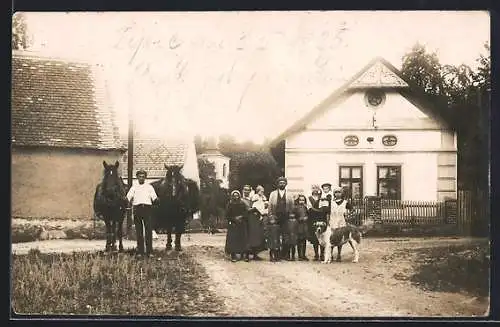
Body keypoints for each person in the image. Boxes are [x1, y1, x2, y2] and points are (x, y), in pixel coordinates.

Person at [126, 169, 158, 257]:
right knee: (139, 231)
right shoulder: (134, 187)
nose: (141, 178)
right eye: (139, 176)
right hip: (137, 210)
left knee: (148, 231)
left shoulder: (149, 187)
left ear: (145, 177)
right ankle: (140, 251)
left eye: (143, 176)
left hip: (147, 209)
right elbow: (128, 198)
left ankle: (149, 251)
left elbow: (155, 198)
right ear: (137, 177)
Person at [268, 177, 295, 259]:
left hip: (286, 217)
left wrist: (291, 215)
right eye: (280, 183)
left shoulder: (289, 195)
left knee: (286, 236)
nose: (282, 184)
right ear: (278, 184)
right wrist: (271, 216)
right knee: (275, 235)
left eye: (283, 183)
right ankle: (276, 254)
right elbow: (270, 206)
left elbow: (292, 206)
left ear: (286, 184)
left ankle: (285, 254)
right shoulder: (273, 194)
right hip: (276, 217)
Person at [241, 185, 266, 260]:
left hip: (254, 219)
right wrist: (253, 209)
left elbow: (258, 206)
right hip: (245, 220)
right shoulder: (241, 200)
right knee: (247, 237)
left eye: (248, 190)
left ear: (250, 191)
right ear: (243, 190)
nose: (246, 191)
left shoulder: (252, 199)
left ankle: (255, 254)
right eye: (245, 190)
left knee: (255, 236)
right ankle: (246, 255)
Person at [225, 190, 250, 262]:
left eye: (237, 195)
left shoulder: (242, 204)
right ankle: (233, 255)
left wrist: (241, 217)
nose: (236, 197)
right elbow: (227, 215)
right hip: (233, 225)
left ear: (239, 196)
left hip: (242, 224)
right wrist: (234, 219)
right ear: (232, 196)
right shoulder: (230, 204)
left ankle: (244, 255)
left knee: (243, 240)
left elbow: (246, 212)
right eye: (234, 195)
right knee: (233, 240)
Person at [307, 186, 326, 261]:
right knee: (315, 238)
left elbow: (324, 209)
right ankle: (316, 254)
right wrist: (317, 210)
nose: (315, 190)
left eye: (316, 189)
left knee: (322, 237)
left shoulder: (322, 198)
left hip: (322, 218)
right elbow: (309, 209)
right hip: (313, 219)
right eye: (313, 189)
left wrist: (319, 210)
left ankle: (322, 254)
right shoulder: (309, 198)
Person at [294, 194, 309, 261]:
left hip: (305, 225)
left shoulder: (306, 207)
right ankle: (300, 255)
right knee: (299, 240)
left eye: (303, 200)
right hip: (299, 225)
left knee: (304, 240)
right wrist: (300, 219)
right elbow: (295, 216)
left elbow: (309, 214)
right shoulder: (296, 208)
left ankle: (303, 255)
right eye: (300, 200)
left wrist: (307, 217)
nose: (301, 201)